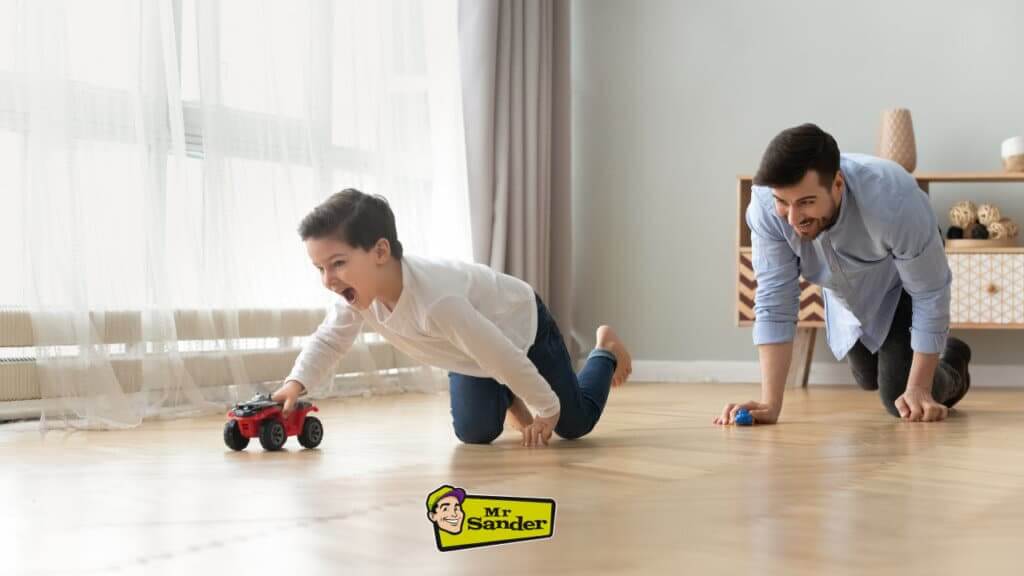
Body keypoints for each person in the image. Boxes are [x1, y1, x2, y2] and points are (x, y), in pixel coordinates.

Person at [273, 188, 632, 447]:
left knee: (574, 424)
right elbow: (329, 340)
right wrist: (295, 383)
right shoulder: (356, 298)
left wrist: (547, 409)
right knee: (474, 434)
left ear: (380, 251)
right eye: (319, 268)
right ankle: (507, 392)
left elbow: (502, 354)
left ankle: (605, 349)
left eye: (338, 264)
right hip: (472, 346)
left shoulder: (437, 302)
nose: (328, 280)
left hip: (520, 326)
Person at [716, 124, 970, 425]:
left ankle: (954, 361)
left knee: (899, 397)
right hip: (845, 287)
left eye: (806, 202)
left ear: (837, 184)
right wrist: (770, 403)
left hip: (899, 281)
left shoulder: (896, 201)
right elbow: (775, 300)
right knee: (866, 376)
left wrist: (919, 388)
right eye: (783, 202)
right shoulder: (764, 206)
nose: (793, 219)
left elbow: (929, 292)